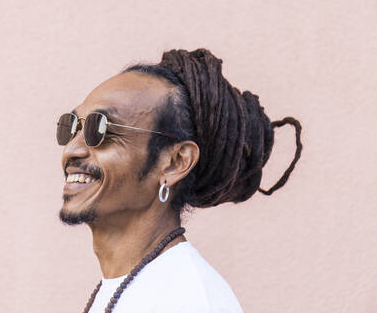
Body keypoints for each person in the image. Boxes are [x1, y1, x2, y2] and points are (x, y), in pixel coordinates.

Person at [56, 48, 303, 313]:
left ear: (176, 163)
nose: (72, 149)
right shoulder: (134, 285)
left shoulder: (187, 299)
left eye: (101, 128)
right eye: (72, 126)